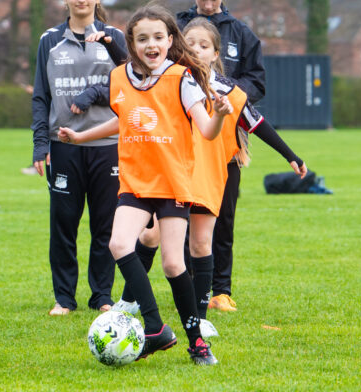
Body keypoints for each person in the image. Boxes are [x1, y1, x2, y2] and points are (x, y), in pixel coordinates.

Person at [109, 18, 307, 338]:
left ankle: (199, 317)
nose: (197, 50)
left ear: (216, 54)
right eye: (191, 44)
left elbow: (258, 125)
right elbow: (128, 74)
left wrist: (291, 156)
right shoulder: (169, 79)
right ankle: (129, 299)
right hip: (172, 175)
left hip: (207, 178)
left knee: (200, 244)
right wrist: (109, 44)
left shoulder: (228, 91)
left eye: (204, 46)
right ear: (179, 46)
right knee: (149, 237)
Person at [58, 4, 231, 365]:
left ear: (170, 40)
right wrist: (80, 137)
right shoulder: (120, 77)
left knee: (172, 264)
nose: (150, 44)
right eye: (142, 39)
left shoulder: (182, 78)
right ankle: (154, 326)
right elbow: (126, 122)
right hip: (135, 183)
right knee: (120, 243)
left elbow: (206, 130)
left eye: (157, 37)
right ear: (132, 44)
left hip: (171, 185)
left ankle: (197, 342)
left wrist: (219, 115)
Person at [30, 0, 128, 316]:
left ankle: (101, 296)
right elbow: (41, 96)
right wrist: (40, 145)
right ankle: (64, 299)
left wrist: (91, 95)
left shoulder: (114, 36)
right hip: (64, 146)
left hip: (108, 146)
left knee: (105, 224)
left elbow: (129, 88)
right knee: (64, 224)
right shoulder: (49, 41)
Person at [172, 0, 267, 312]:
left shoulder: (241, 34)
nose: (208, 5)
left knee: (222, 215)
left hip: (227, 139)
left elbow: (257, 81)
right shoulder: (177, 27)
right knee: (180, 216)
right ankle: (187, 286)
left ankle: (221, 290)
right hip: (183, 139)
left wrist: (229, 94)